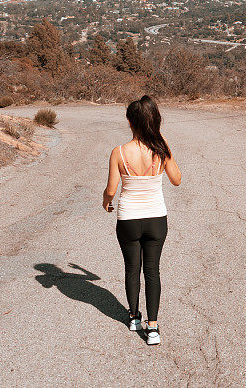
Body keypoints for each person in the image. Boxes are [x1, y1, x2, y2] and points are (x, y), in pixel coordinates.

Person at [102, 95, 181, 345]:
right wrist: (166, 148)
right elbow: (177, 179)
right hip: (156, 218)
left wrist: (106, 201)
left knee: (132, 269)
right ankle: (154, 328)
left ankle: (134, 317)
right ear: (154, 120)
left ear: (129, 121)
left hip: (128, 219)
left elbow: (111, 189)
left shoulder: (119, 152)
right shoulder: (161, 147)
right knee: (153, 271)